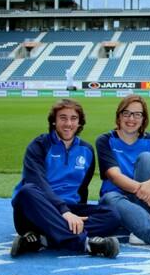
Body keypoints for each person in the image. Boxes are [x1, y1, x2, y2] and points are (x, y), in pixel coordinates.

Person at [11, 99, 121, 258]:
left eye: (73, 118)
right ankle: (83, 244)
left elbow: (82, 189)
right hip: (35, 210)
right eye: (63, 118)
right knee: (26, 191)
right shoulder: (39, 145)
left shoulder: (87, 150)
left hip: (68, 210)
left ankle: (44, 239)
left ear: (79, 122)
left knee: (112, 215)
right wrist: (63, 212)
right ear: (54, 121)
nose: (68, 123)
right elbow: (37, 183)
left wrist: (71, 213)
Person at [96, 95, 150, 255]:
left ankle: (138, 225)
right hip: (119, 201)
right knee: (109, 198)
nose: (131, 118)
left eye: (137, 114)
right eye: (126, 113)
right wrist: (143, 190)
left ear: (143, 118)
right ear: (119, 116)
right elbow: (114, 176)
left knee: (146, 157)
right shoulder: (105, 140)